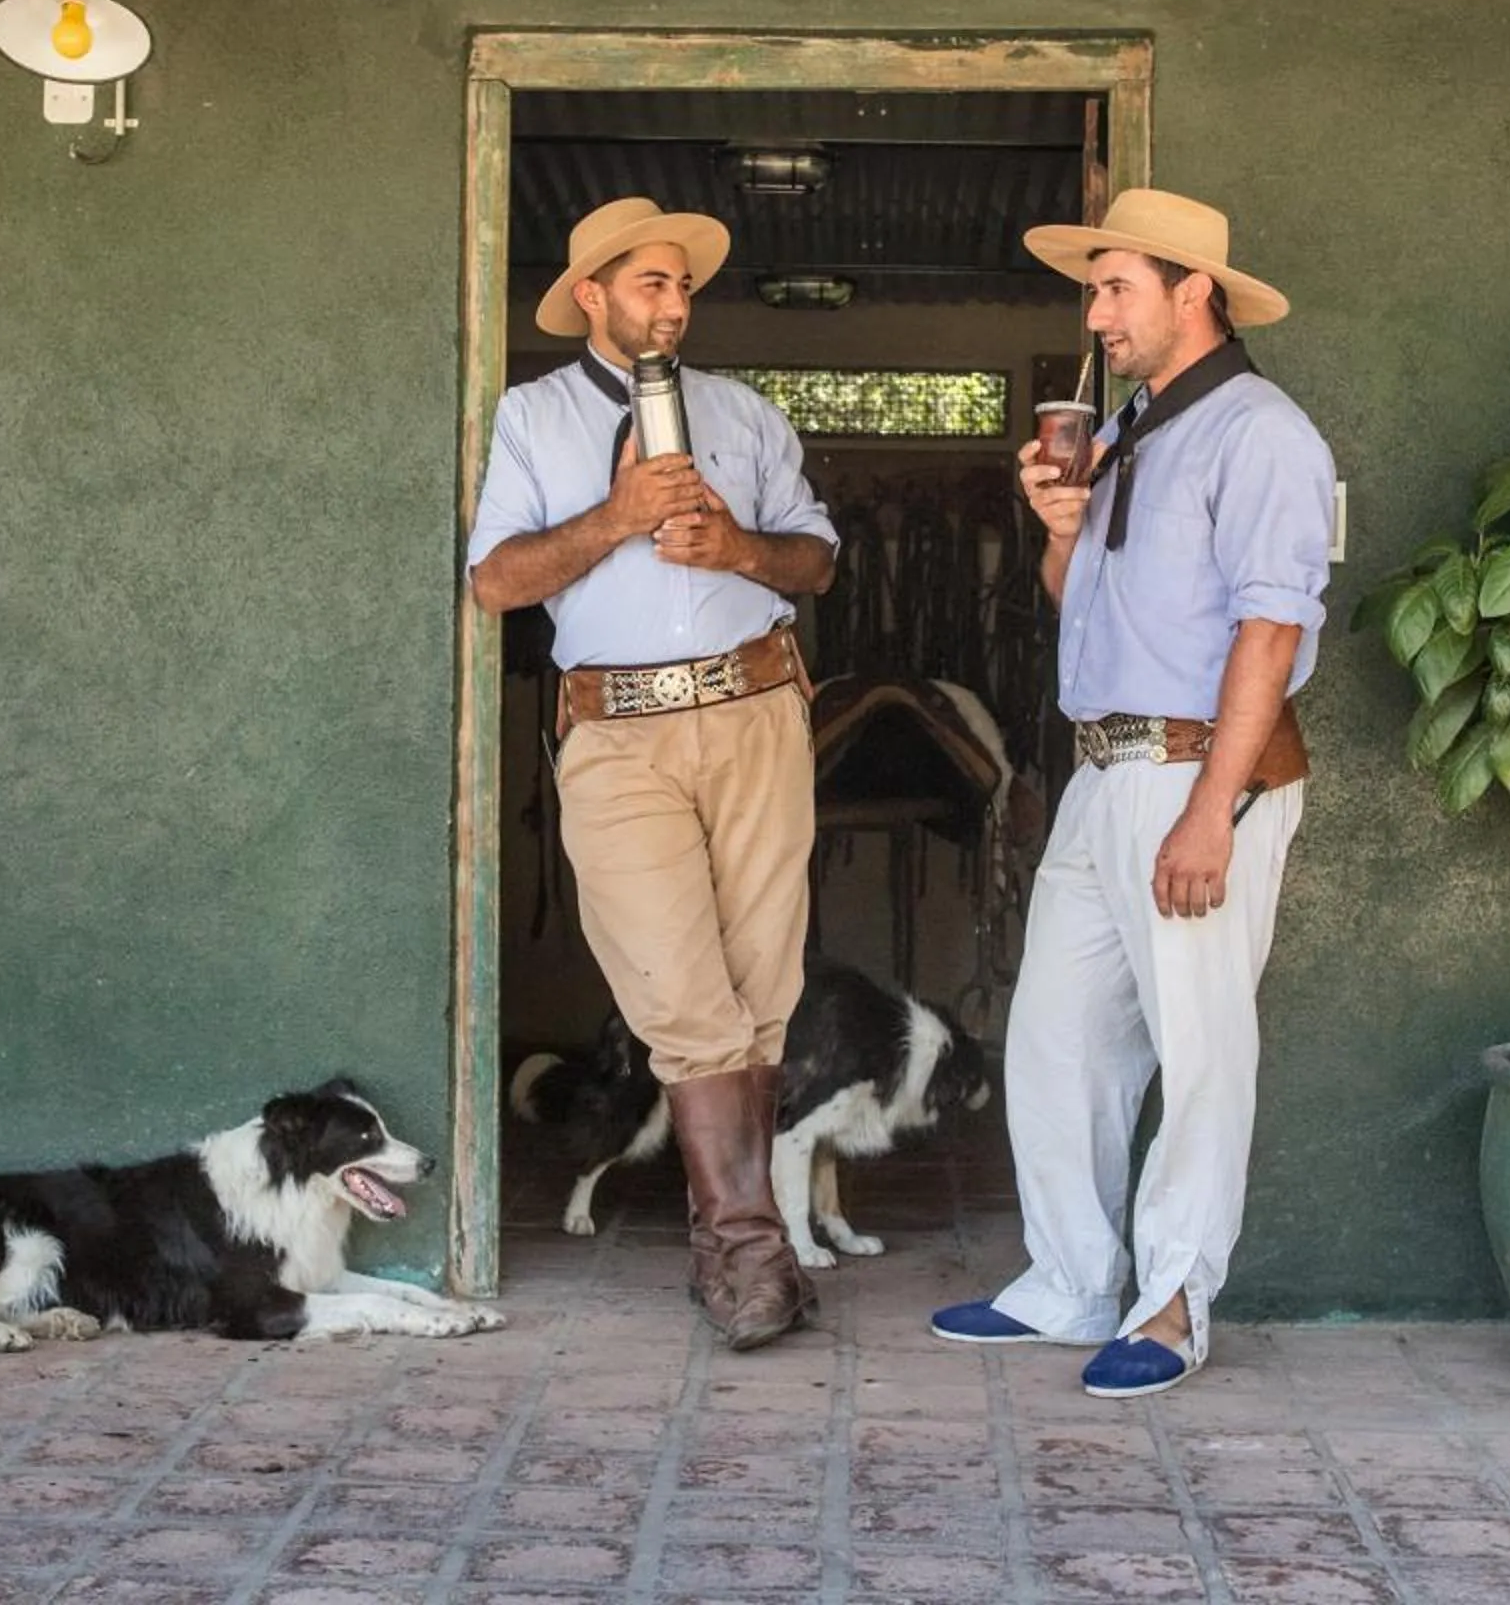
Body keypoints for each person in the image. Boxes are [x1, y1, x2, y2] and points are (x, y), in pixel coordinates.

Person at [930, 188, 1334, 1399]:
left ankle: (1170, 1304)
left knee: (1200, 1046)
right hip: (1104, 770)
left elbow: (1271, 626)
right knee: (1056, 1038)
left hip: (1200, 766)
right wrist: (1059, 525)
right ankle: (1068, 1277)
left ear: (1191, 291)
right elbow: (1093, 612)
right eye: (1093, 289)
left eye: (1116, 287)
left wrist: (1212, 806)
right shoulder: (1129, 431)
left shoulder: (1261, 432)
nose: (1096, 312)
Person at [465, 195, 839, 1351]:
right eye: (651, 284)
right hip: (616, 729)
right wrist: (617, 513)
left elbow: (816, 558)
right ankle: (747, 1244)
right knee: (678, 988)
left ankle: (734, 1248)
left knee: (760, 980)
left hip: (757, 706)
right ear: (594, 296)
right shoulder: (531, 419)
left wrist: (738, 548)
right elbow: (497, 581)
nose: (674, 304)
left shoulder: (743, 411)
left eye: (684, 286)